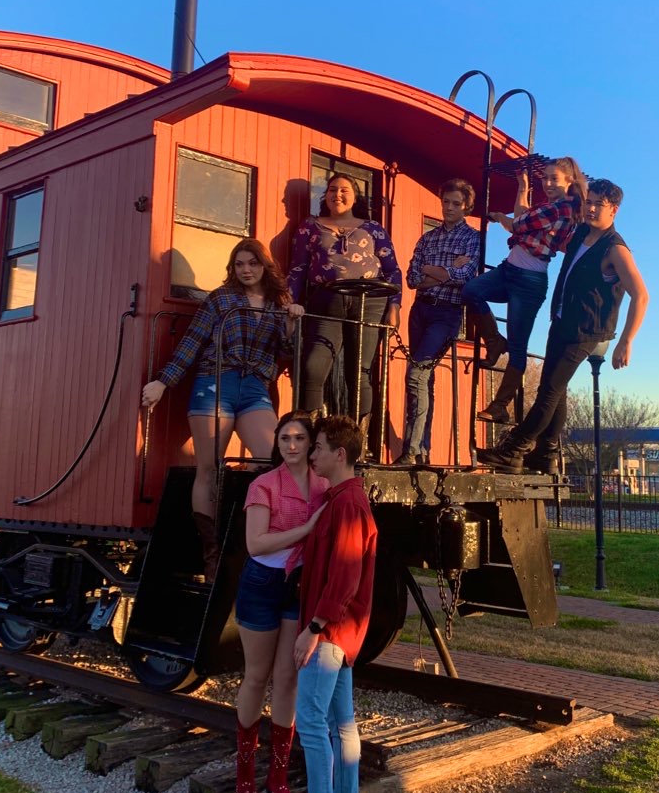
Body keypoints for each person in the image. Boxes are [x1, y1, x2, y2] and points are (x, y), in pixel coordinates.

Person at [141, 238, 303, 581]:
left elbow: (287, 352)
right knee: (209, 468)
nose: (246, 270)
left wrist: (292, 323)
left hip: (255, 386)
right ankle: (212, 557)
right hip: (215, 382)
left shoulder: (279, 303)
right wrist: (163, 382)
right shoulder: (221, 299)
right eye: (239, 264)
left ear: (264, 266)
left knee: (272, 459)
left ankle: (247, 537)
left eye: (252, 263)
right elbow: (192, 341)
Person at [477, 179, 649, 474]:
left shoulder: (615, 249)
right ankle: (545, 454)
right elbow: (544, 233)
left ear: (614, 210)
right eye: (589, 202)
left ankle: (514, 449)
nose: (591, 208)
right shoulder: (581, 232)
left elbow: (641, 295)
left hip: (585, 332)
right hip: (561, 323)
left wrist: (626, 341)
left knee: (549, 391)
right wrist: (519, 209)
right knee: (556, 391)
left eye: (599, 204)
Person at [271, 415, 377, 793]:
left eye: (317, 447)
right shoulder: (343, 500)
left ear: (340, 454)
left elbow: (345, 576)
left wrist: (313, 627)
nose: (311, 454)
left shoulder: (347, 505)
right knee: (342, 723)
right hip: (342, 632)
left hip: (330, 632)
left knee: (312, 724)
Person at [234, 411, 328, 793]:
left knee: (288, 678)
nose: (291, 445)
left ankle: (277, 774)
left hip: (298, 584)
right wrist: (305, 531)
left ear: (311, 444)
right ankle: (244, 770)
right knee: (257, 677)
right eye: (285, 438)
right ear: (276, 442)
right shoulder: (263, 485)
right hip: (262, 583)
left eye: (299, 438)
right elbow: (256, 544)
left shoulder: (323, 486)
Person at [462, 157, 586, 423]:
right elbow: (522, 216)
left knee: (518, 346)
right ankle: (494, 341)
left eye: (554, 179)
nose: (548, 183)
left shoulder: (562, 208)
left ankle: (499, 406)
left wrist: (499, 217)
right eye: (546, 178)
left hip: (528, 281)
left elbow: (517, 224)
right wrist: (523, 186)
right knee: (471, 291)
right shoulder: (548, 207)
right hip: (509, 270)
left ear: (569, 182)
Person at [287, 173, 402, 436]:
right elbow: (298, 268)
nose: (337, 194)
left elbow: (392, 270)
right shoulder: (310, 226)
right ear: (325, 195)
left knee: (359, 372)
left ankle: (356, 442)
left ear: (355, 197)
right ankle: (311, 437)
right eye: (332, 189)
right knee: (313, 367)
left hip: (369, 302)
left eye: (343, 190)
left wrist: (394, 307)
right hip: (326, 300)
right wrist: (290, 303)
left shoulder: (373, 228)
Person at [394, 178, 480, 466]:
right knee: (423, 382)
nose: (449, 208)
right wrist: (446, 269)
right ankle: (423, 450)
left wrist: (433, 271)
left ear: (466, 206)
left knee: (416, 374)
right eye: (446, 202)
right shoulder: (427, 238)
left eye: (456, 203)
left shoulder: (472, 238)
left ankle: (410, 450)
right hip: (420, 310)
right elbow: (412, 278)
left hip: (447, 313)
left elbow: (465, 277)